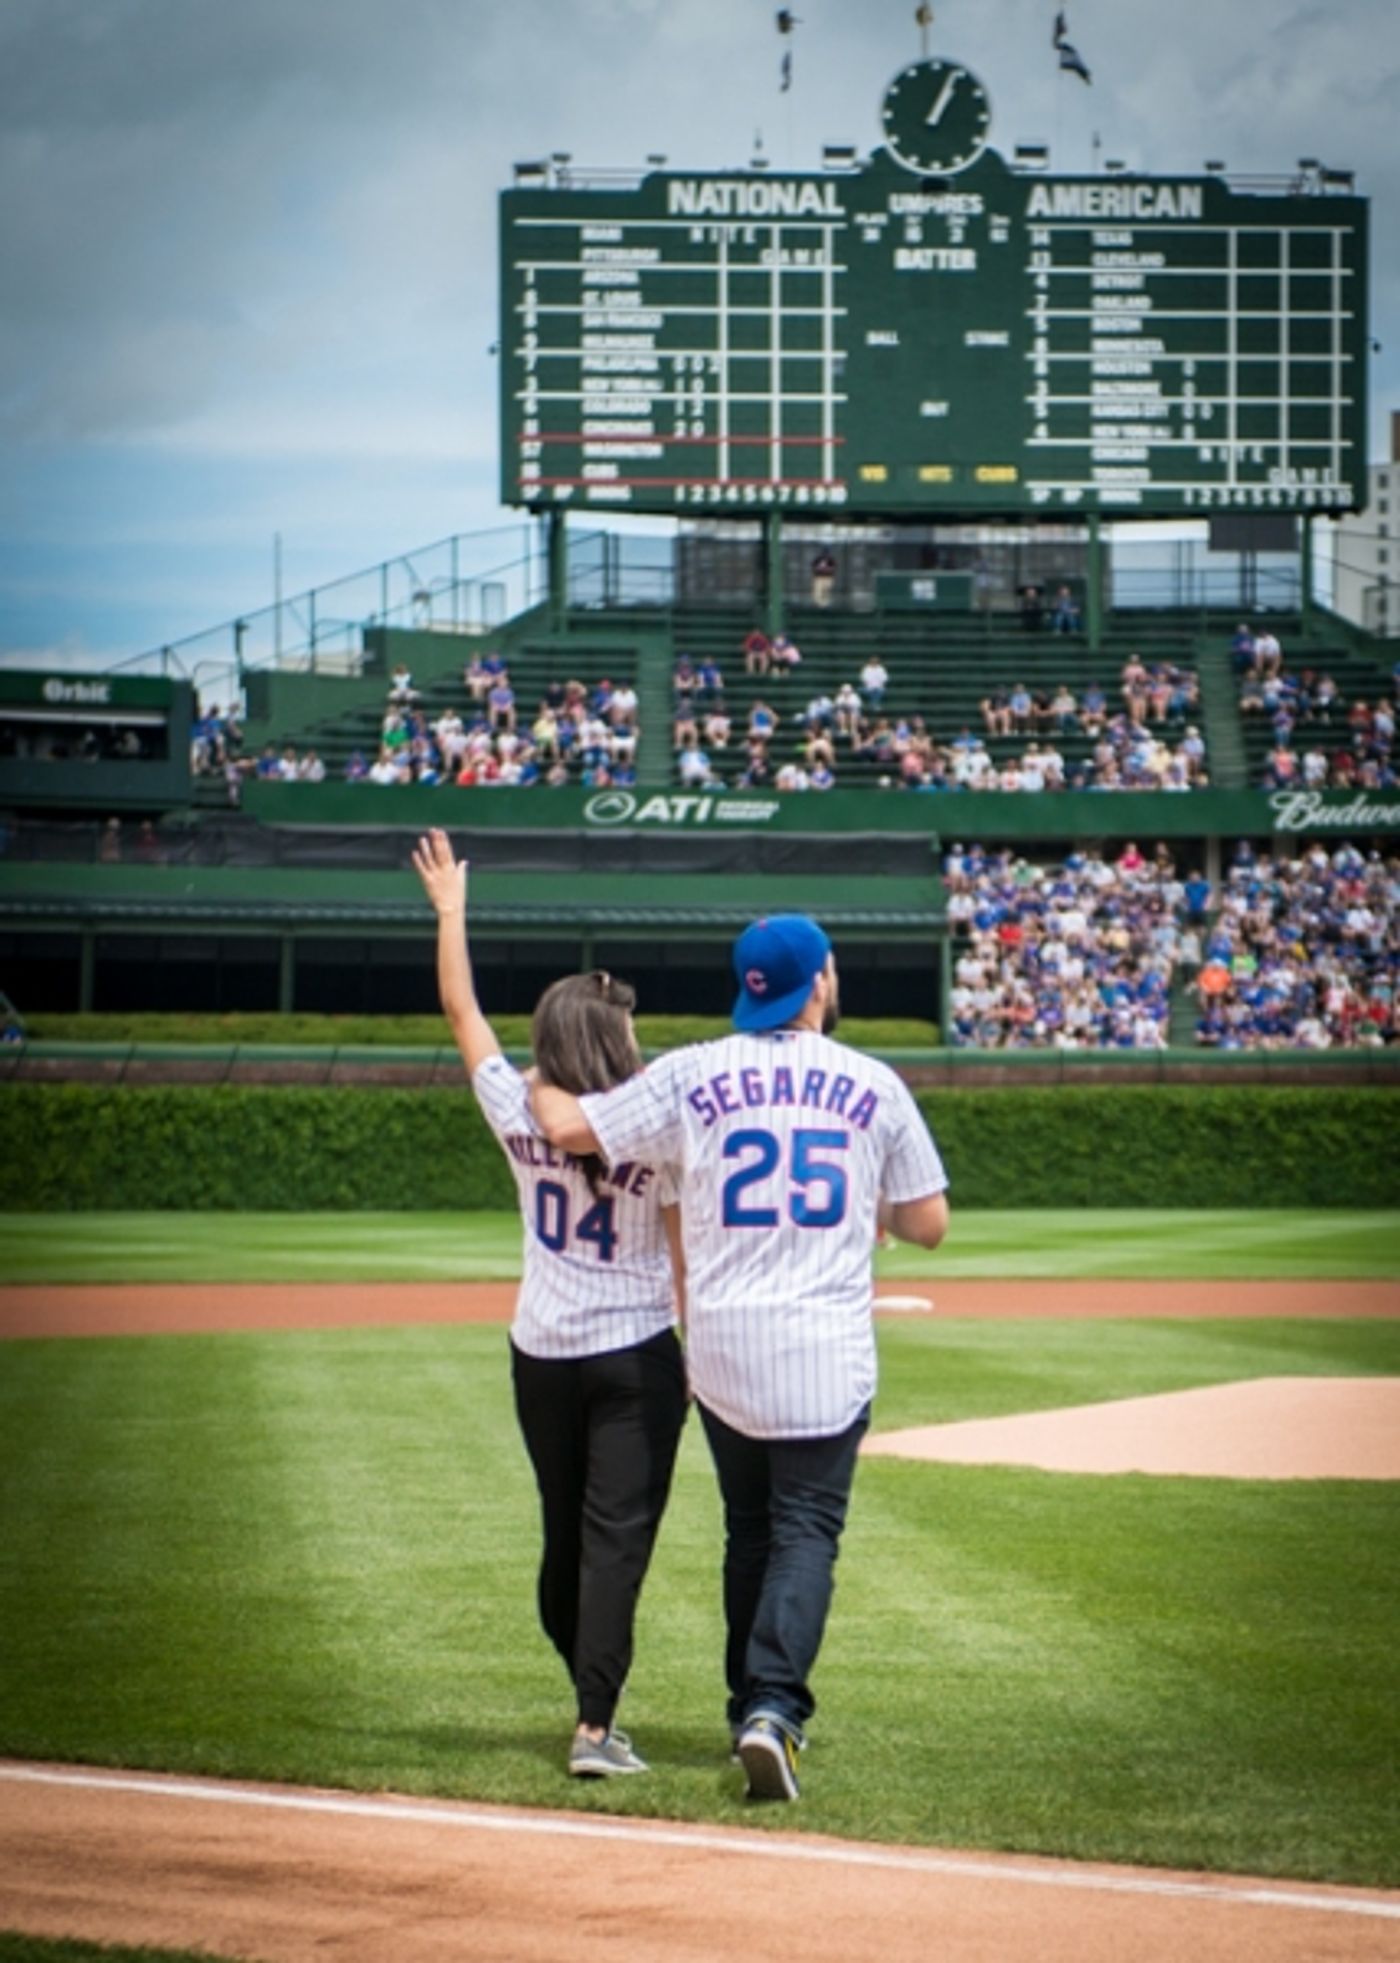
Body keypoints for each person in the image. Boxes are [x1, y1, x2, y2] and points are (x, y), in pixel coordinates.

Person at [532, 914, 950, 1803]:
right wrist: (868, 1202)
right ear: (822, 984)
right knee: (804, 1529)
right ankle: (771, 1709)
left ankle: (743, 1708)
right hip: (825, 1353)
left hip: (721, 1352)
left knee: (750, 1528)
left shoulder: (691, 1070)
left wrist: (527, 1075)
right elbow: (930, 1223)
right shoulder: (873, 1082)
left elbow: (570, 1127)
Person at [411, 829, 688, 1781]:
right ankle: (594, 1722)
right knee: (615, 1537)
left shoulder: (518, 1104)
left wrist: (452, 913)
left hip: (542, 1350)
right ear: (610, 1040)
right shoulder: (659, 1115)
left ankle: (589, 1694)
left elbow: (462, 1011)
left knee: (565, 1531)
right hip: (639, 1349)